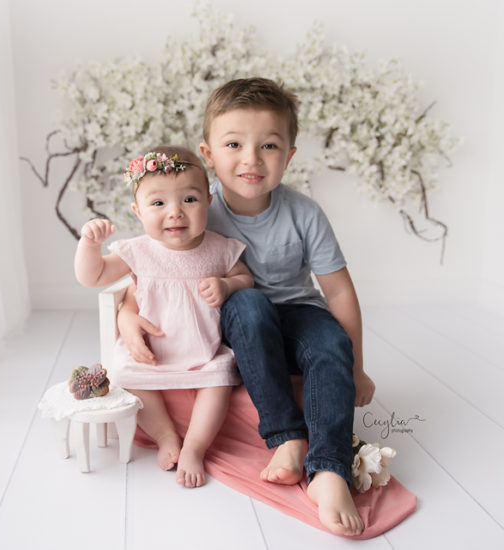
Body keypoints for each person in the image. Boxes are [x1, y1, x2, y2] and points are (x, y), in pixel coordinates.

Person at [117, 78, 376, 536]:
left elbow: (337, 293)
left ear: (290, 155)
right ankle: (286, 437)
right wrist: (126, 316)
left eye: (269, 146)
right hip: (233, 319)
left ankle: (330, 470)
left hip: (297, 312)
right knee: (251, 303)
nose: (251, 159)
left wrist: (356, 367)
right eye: (234, 143)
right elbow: (147, 273)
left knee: (328, 341)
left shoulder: (304, 214)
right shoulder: (192, 206)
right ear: (209, 154)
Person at [74, 146, 254, 488]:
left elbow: (247, 278)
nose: (175, 213)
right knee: (125, 374)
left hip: (202, 352)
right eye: (158, 204)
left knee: (219, 379)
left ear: (208, 201)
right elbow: (93, 277)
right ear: (137, 211)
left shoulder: (218, 248)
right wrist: (88, 245)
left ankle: (196, 447)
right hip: (152, 353)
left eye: (189, 200)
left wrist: (228, 284)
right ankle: (165, 435)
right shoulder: (138, 251)